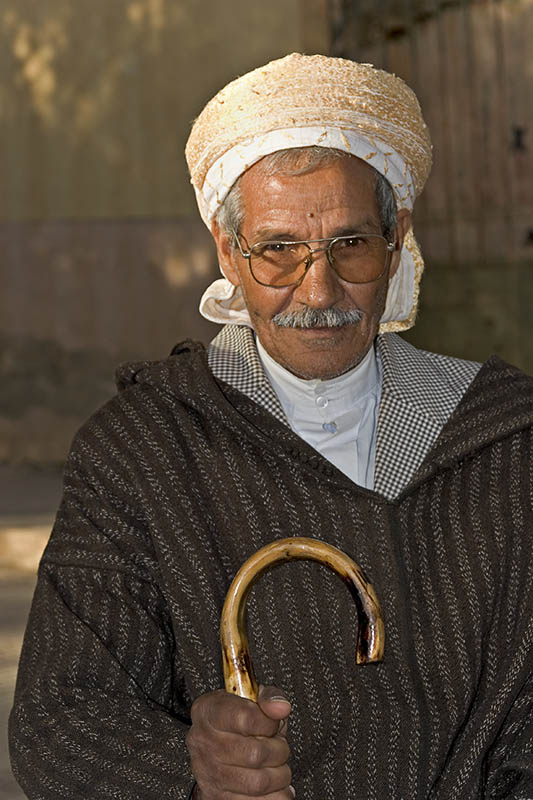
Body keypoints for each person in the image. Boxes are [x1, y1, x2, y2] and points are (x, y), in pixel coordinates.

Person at [9, 53, 533, 800]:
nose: (317, 291)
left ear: (395, 240)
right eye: (278, 250)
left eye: (348, 245)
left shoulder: (505, 438)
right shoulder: (144, 448)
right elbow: (62, 718)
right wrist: (192, 770)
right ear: (228, 252)